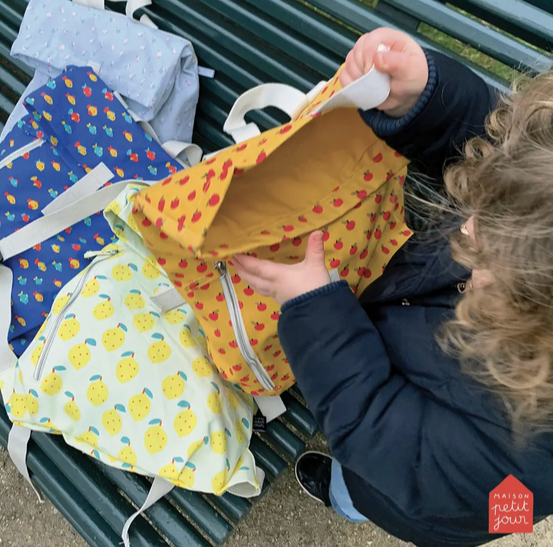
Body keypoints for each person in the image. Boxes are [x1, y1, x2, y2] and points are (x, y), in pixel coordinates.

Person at [231, 27, 553, 547]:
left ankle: (344, 495)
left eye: (492, 249)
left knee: (373, 484)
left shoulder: (523, 449)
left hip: (435, 496)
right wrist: (426, 95)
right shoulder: (538, 196)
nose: (466, 226)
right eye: (485, 205)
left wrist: (315, 310)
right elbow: (501, 151)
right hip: (453, 460)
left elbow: (386, 440)